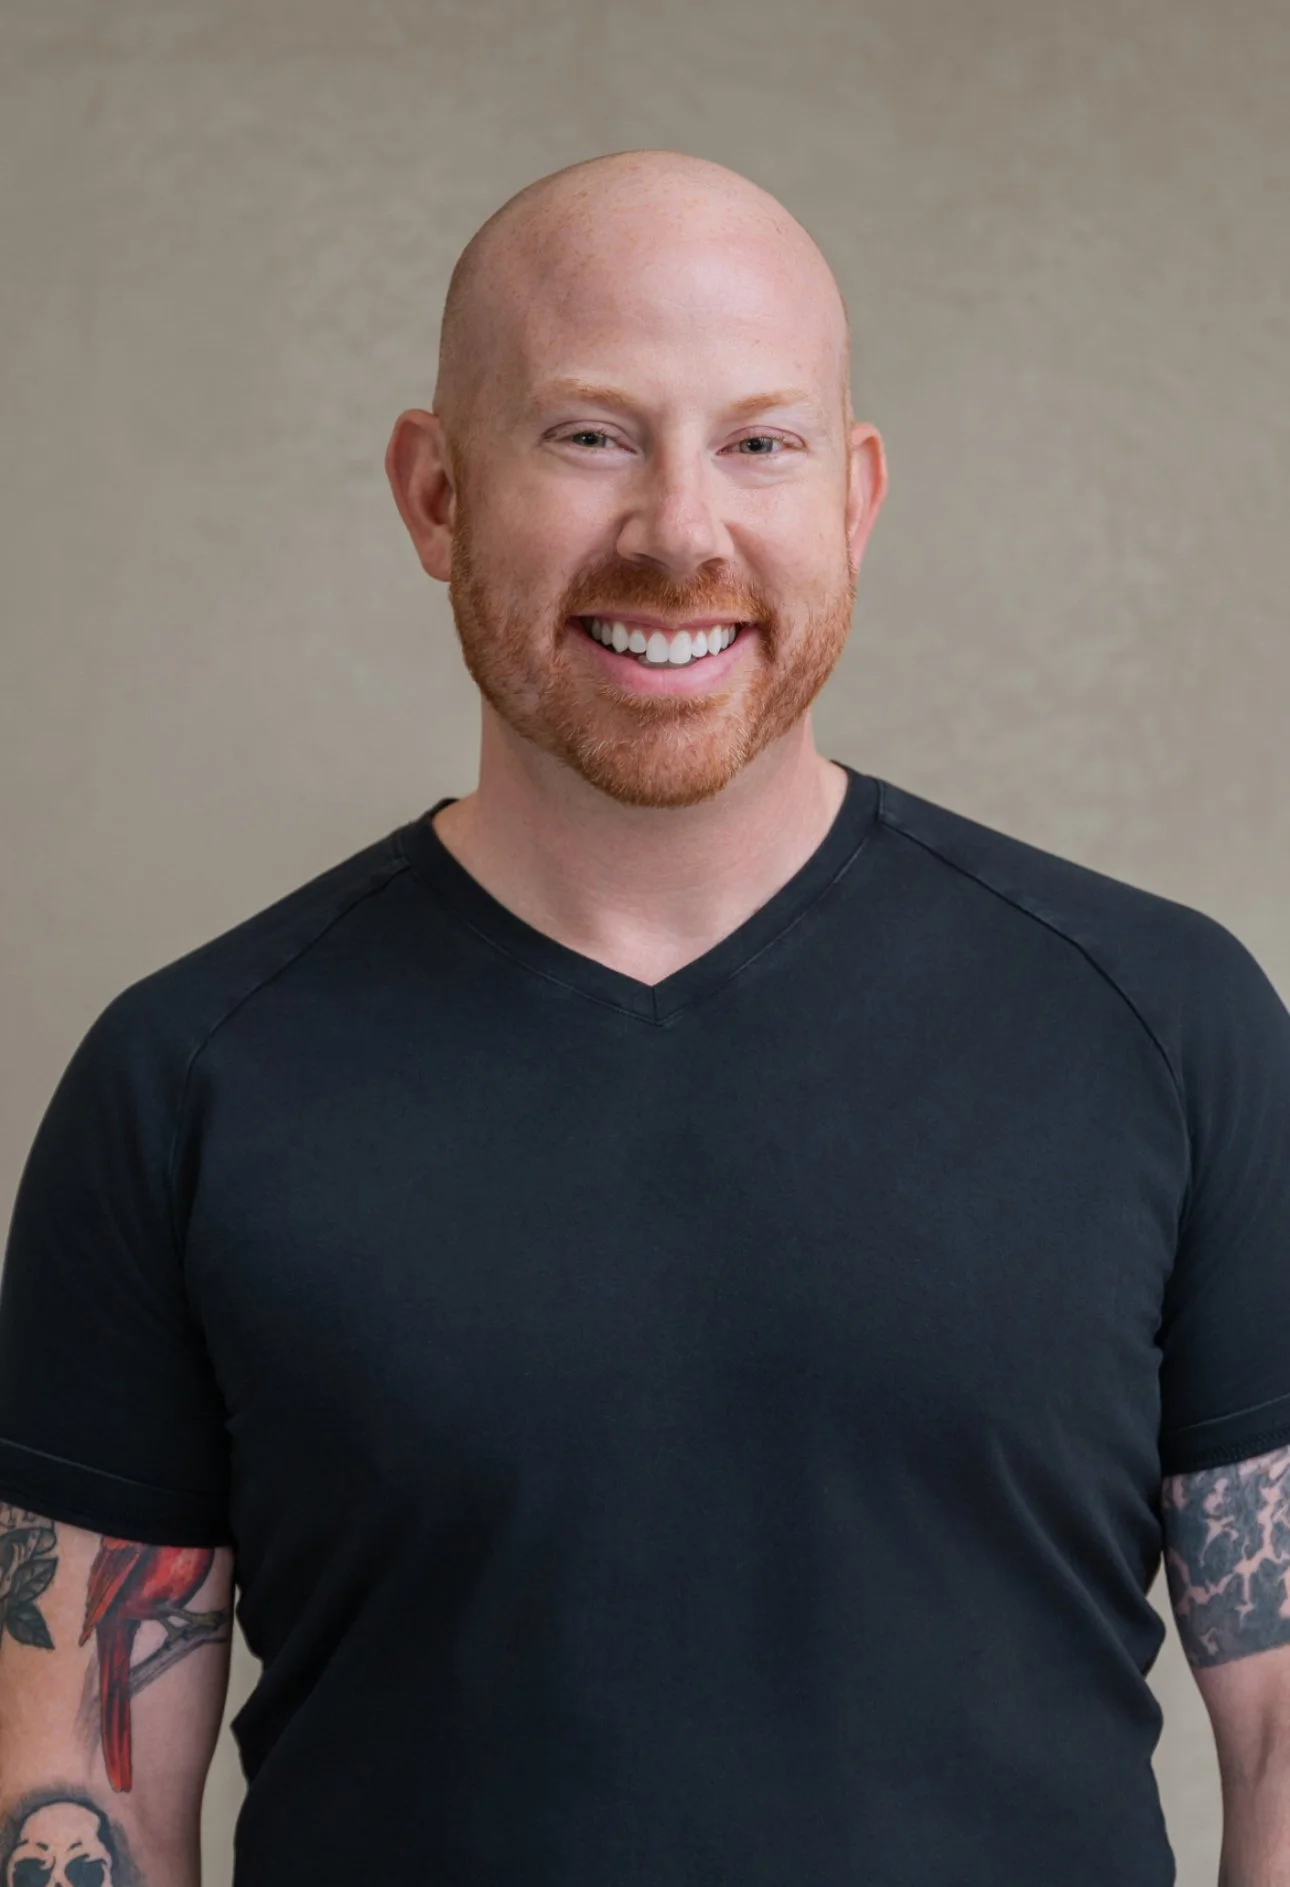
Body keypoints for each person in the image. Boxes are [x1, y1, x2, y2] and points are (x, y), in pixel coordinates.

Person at [1, 147, 1288, 1887]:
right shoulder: (184, 1086)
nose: (682, 533)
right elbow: (79, 1802)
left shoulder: (1169, 1028)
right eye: (589, 434)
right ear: (435, 493)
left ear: (855, 495)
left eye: (759, 442)